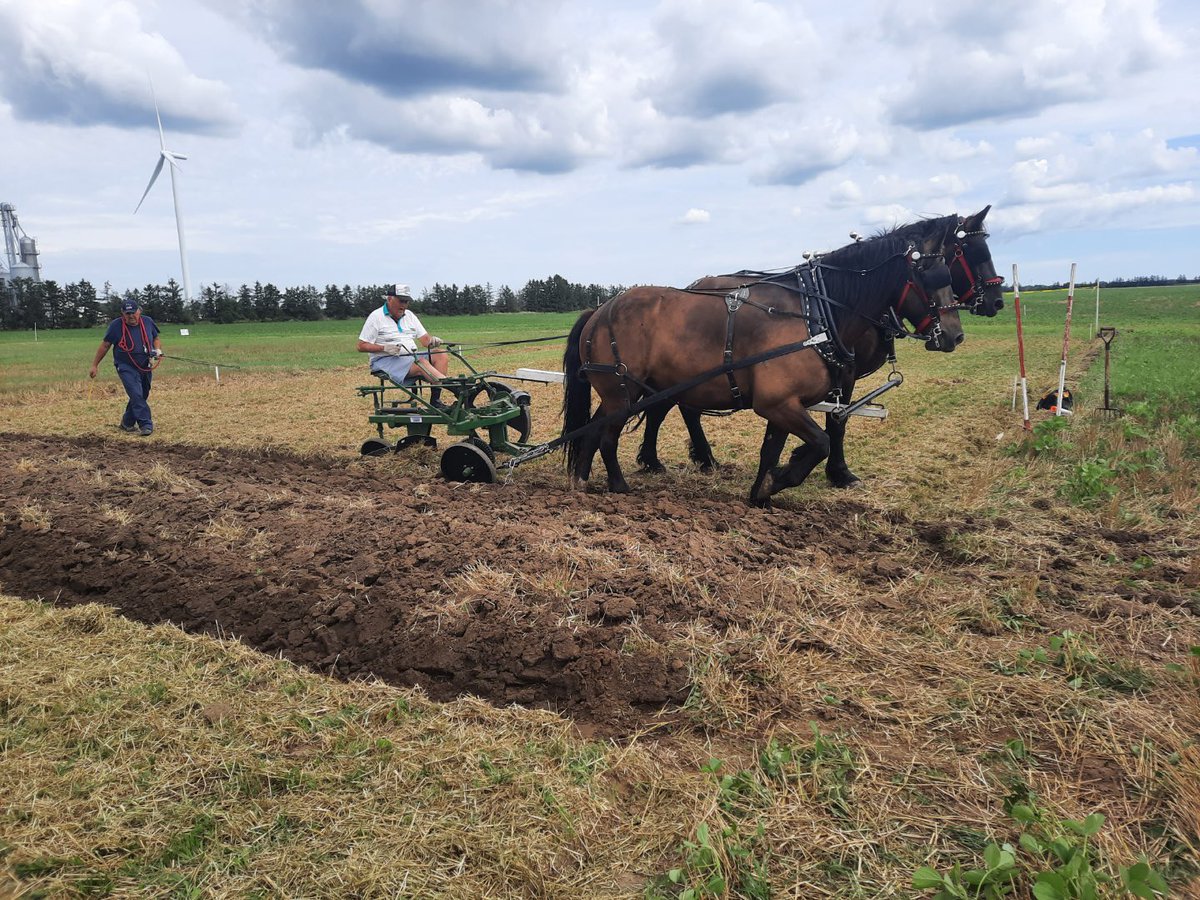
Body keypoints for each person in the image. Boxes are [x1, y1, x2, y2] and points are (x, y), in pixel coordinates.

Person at [357, 283, 450, 406]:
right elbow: (361, 346)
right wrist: (384, 348)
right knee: (421, 363)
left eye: (407, 302)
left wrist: (433, 341)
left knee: (441, 355)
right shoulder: (376, 317)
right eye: (401, 301)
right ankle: (455, 387)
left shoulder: (410, 316)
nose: (404, 305)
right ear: (389, 299)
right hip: (385, 360)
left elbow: (425, 341)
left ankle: (435, 401)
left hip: (410, 357)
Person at [89, 298, 163, 436]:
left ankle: (127, 422)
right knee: (135, 393)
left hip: (145, 365)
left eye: (133, 313)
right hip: (125, 366)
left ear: (139, 311)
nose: (131, 316)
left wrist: (157, 351)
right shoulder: (116, 326)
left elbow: (156, 339)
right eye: (127, 314)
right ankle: (146, 424)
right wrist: (95, 365)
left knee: (143, 394)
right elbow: (105, 345)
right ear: (122, 313)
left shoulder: (147, 321)